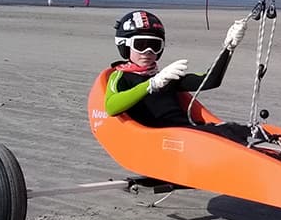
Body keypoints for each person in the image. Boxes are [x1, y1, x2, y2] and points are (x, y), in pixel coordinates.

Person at [104, 10, 253, 144]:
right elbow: (111, 107)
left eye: (154, 46)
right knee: (224, 135)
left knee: (240, 131)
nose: (148, 52)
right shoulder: (120, 76)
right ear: (125, 45)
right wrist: (151, 84)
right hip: (164, 137)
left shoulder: (167, 77)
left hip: (188, 131)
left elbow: (210, 81)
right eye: (140, 45)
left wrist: (228, 49)